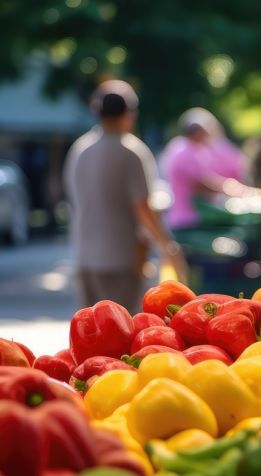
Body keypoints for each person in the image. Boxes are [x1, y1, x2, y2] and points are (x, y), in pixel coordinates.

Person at [64, 80, 185, 309]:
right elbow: (143, 208)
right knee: (123, 336)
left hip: (84, 257)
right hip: (121, 260)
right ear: (129, 113)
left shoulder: (80, 149)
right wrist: (167, 246)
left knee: (91, 336)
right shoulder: (131, 151)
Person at [160, 108, 250, 230]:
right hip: (187, 221)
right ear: (197, 132)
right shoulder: (184, 152)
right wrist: (235, 189)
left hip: (188, 218)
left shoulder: (188, 149)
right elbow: (202, 183)